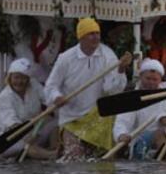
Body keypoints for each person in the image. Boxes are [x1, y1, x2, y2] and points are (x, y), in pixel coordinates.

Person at [45, 18, 132, 158]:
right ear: (81, 37)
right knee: (74, 157)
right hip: (71, 118)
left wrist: (121, 70)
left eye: (97, 33)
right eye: (91, 33)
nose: (96, 37)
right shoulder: (65, 58)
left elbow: (111, 90)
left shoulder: (108, 55)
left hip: (98, 117)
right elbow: (51, 86)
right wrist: (57, 97)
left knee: (99, 161)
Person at [0, 58, 58, 160]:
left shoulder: (34, 85)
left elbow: (48, 99)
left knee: (56, 123)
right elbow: (13, 124)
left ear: (28, 79)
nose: (19, 81)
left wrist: (55, 102)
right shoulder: (4, 97)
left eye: (23, 78)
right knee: (27, 147)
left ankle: (54, 148)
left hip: (34, 132)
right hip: (10, 139)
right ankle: (53, 156)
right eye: (16, 77)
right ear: (10, 78)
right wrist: (26, 136)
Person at [113, 59, 166, 160]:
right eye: (148, 78)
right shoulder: (132, 99)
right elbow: (122, 122)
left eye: (155, 79)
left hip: (165, 139)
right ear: (140, 77)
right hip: (141, 143)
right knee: (158, 134)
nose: (151, 83)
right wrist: (121, 135)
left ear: (160, 80)